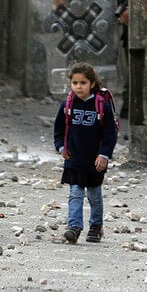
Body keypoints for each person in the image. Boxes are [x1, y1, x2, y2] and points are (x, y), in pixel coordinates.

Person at [53, 62, 118, 244]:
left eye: (82, 83)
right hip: (74, 158)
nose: (78, 87)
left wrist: (104, 155)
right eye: (75, 83)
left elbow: (109, 134)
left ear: (91, 83)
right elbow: (58, 130)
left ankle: (96, 227)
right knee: (75, 193)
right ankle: (74, 227)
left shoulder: (101, 106)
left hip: (95, 160)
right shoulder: (67, 104)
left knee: (94, 196)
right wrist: (61, 147)